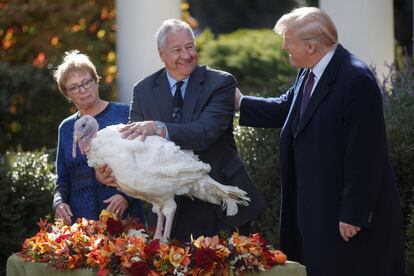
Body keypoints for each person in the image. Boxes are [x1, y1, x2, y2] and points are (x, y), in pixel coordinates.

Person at [235, 7, 405, 276]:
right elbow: (286, 107)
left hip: (345, 216)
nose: (283, 47)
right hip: (317, 208)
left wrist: (353, 213)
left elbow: (365, 155)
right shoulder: (310, 70)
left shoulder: (355, 79)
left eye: (288, 41)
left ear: (312, 46)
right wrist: (240, 103)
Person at [109, 19, 265, 242]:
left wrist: (158, 128)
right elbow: (135, 145)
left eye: (190, 47)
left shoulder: (220, 83)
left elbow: (204, 134)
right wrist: (112, 171)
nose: (186, 55)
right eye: (177, 50)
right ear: (162, 54)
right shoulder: (143, 90)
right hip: (169, 207)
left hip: (219, 202)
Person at [52, 50, 145, 225]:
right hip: (80, 225)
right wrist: (59, 203)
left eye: (86, 82)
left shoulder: (125, 115)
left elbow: (143, 162)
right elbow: (62, 178)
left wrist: (127, 197)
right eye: (74, 87)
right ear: (67, 95)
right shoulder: (66, 128)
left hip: (124, 221)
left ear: (96, 81)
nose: (82, 90)